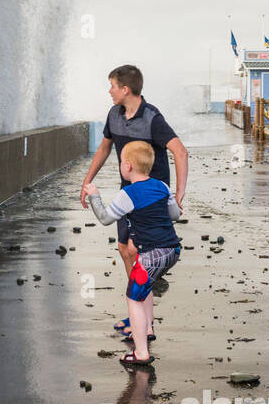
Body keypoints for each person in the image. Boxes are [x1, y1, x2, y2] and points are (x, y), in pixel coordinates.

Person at [78, 65, 188, 340]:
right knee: (125, 250)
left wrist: (178, 194)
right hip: (128, 193)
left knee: (138, 252)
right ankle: (137, 309)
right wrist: (86, 180)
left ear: (125, 89)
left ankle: (144, 322)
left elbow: (181, 152)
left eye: (112, 86)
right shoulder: (114, 115)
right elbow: (104, 148)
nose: (109, 91)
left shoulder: (152, 118)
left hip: (151, 195)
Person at [83, 141, 182, 364]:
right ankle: (146, 328)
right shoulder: (162, 186)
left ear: (127, 166)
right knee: (145, 287)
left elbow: (106, 218)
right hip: (172, 250)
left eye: (120, 164)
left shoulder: (127, 194)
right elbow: (174, 215)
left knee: (133, 298)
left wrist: (94, 195)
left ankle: (141, 353)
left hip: (151, 255)